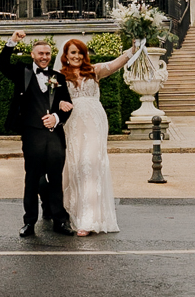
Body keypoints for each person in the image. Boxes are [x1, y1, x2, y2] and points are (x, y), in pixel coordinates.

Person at [56, 36, 138, 236]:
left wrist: (133, 48)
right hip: (73, 124)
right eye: (72, 52)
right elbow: (51, 99)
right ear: (66, 55)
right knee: (75, 165)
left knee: (92, 165)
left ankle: (90, 219)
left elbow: (116, 64)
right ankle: (74, 213)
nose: (76, 56)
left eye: (80, 52)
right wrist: (58, 104)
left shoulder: (94, 71)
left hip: (95, 122)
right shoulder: (59, 76)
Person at [0, 30, 74, 237]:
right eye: (40, 53)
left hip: (55, 136)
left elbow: (67, 105)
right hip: (31, 135)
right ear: (32, 54)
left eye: (47, 54)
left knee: (56, 178)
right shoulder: (22, 72)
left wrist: (57, 117)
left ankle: (60, 221)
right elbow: (2, 64)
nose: (44, 57)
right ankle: (29, 222)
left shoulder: (58, 78)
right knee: (32, 179)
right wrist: (12, 41)